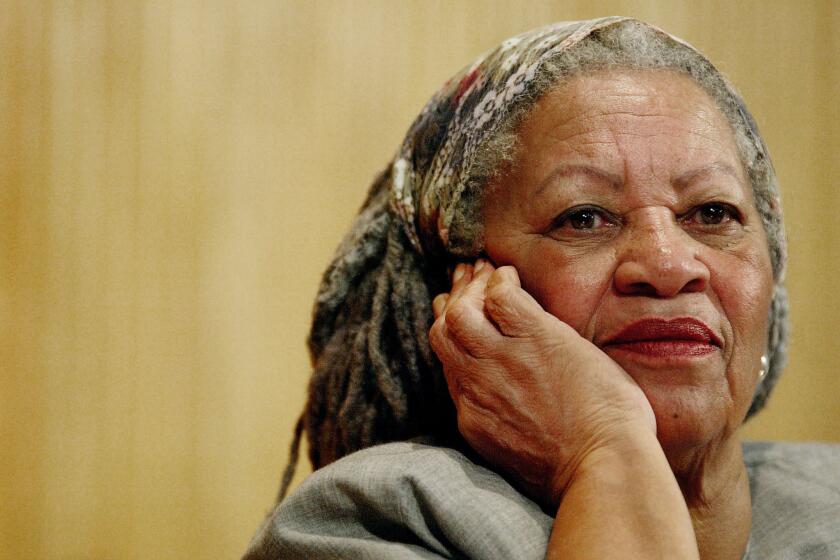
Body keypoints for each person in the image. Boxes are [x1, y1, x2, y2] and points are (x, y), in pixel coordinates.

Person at [244, 17, 840, 559]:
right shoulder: (372, 522)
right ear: (463, 290)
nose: (667, 263)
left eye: (711, 213)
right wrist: (603, 446)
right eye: (584, 217)